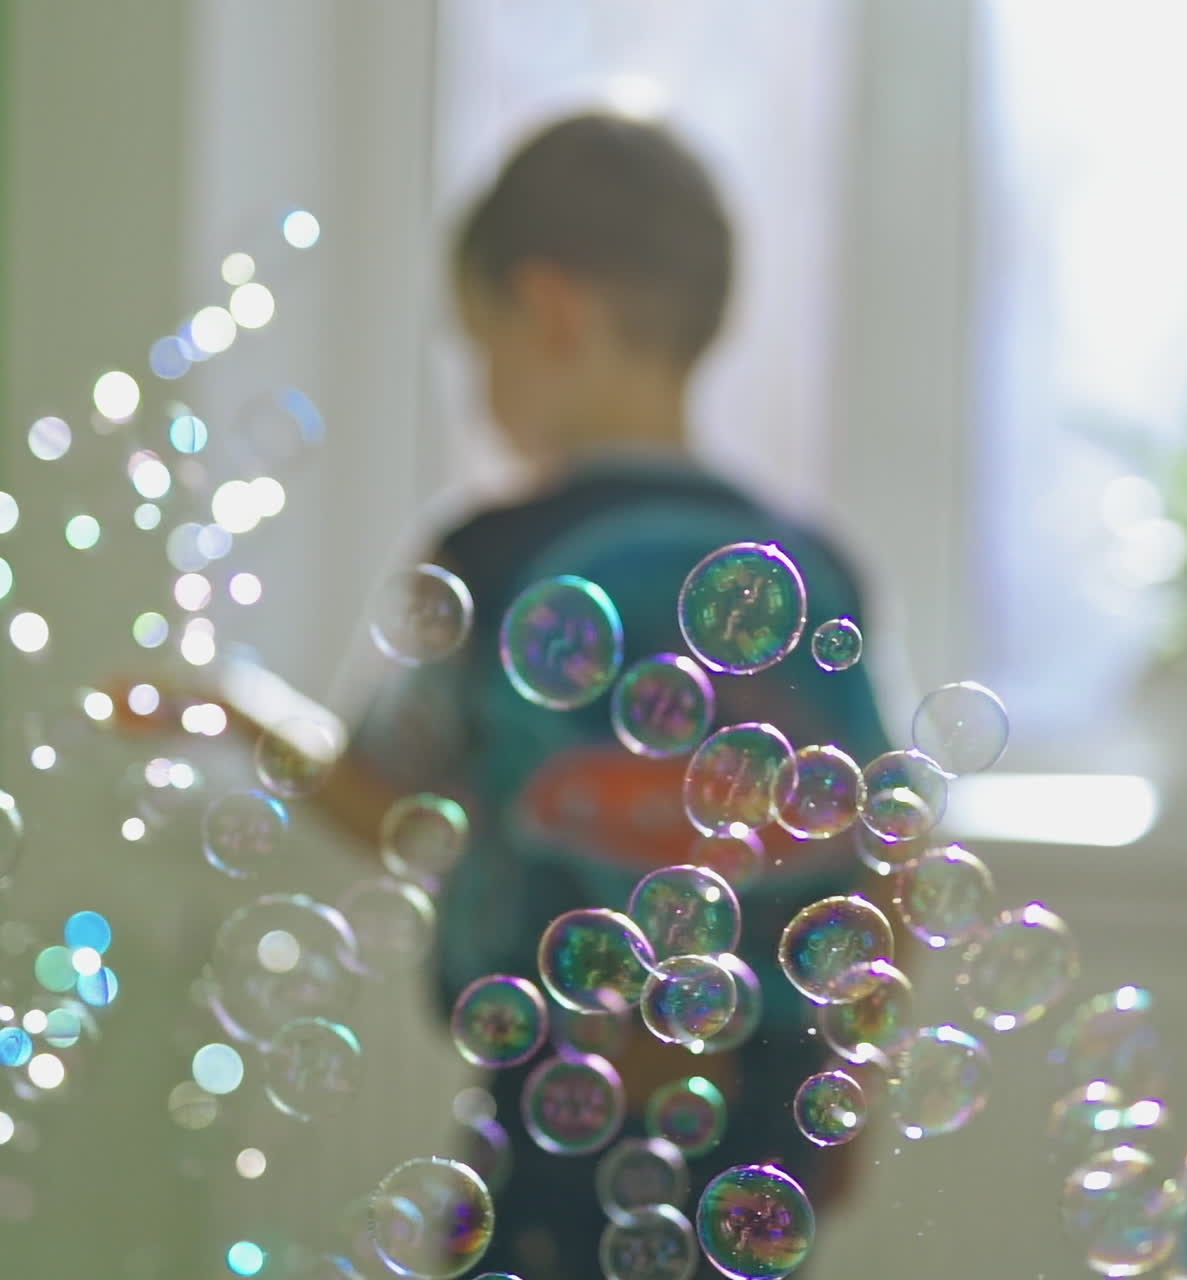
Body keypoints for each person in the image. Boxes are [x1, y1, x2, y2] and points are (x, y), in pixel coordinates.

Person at [131, 111, 896, 1277]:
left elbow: (395, 800)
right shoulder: (811, 561)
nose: (477, 384)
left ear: (549, 312)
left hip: (551, 1112)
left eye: (476, 343)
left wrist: (239, 708)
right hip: (762, 1118)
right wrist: (855, 1078)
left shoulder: (488, 556)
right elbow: (876, 846)